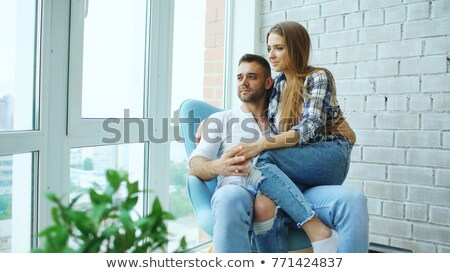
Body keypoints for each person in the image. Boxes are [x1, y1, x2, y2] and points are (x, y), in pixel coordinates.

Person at [189, 53, 368, 253]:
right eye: (239, 78)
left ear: (268, 82)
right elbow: (195, 164)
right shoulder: (220, 119)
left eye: (251, 77)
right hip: (241, 191)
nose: (244, 82)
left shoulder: (288, 118)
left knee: (354, 200)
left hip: (291, 191)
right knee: (227, 198)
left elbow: (346, 135)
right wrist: (219, 166)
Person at [229, 21, 356, 253]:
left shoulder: (318, 77)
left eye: (279, 48)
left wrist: (261, 144)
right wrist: (210, 120)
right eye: (269, 48)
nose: (271, 55)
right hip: (297, 164)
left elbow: (309, 129)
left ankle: (318, 231)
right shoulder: (277, 85)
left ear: (296, 48)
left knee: (262, 156)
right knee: (262, 205)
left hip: (329, 155)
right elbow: (250, 101)